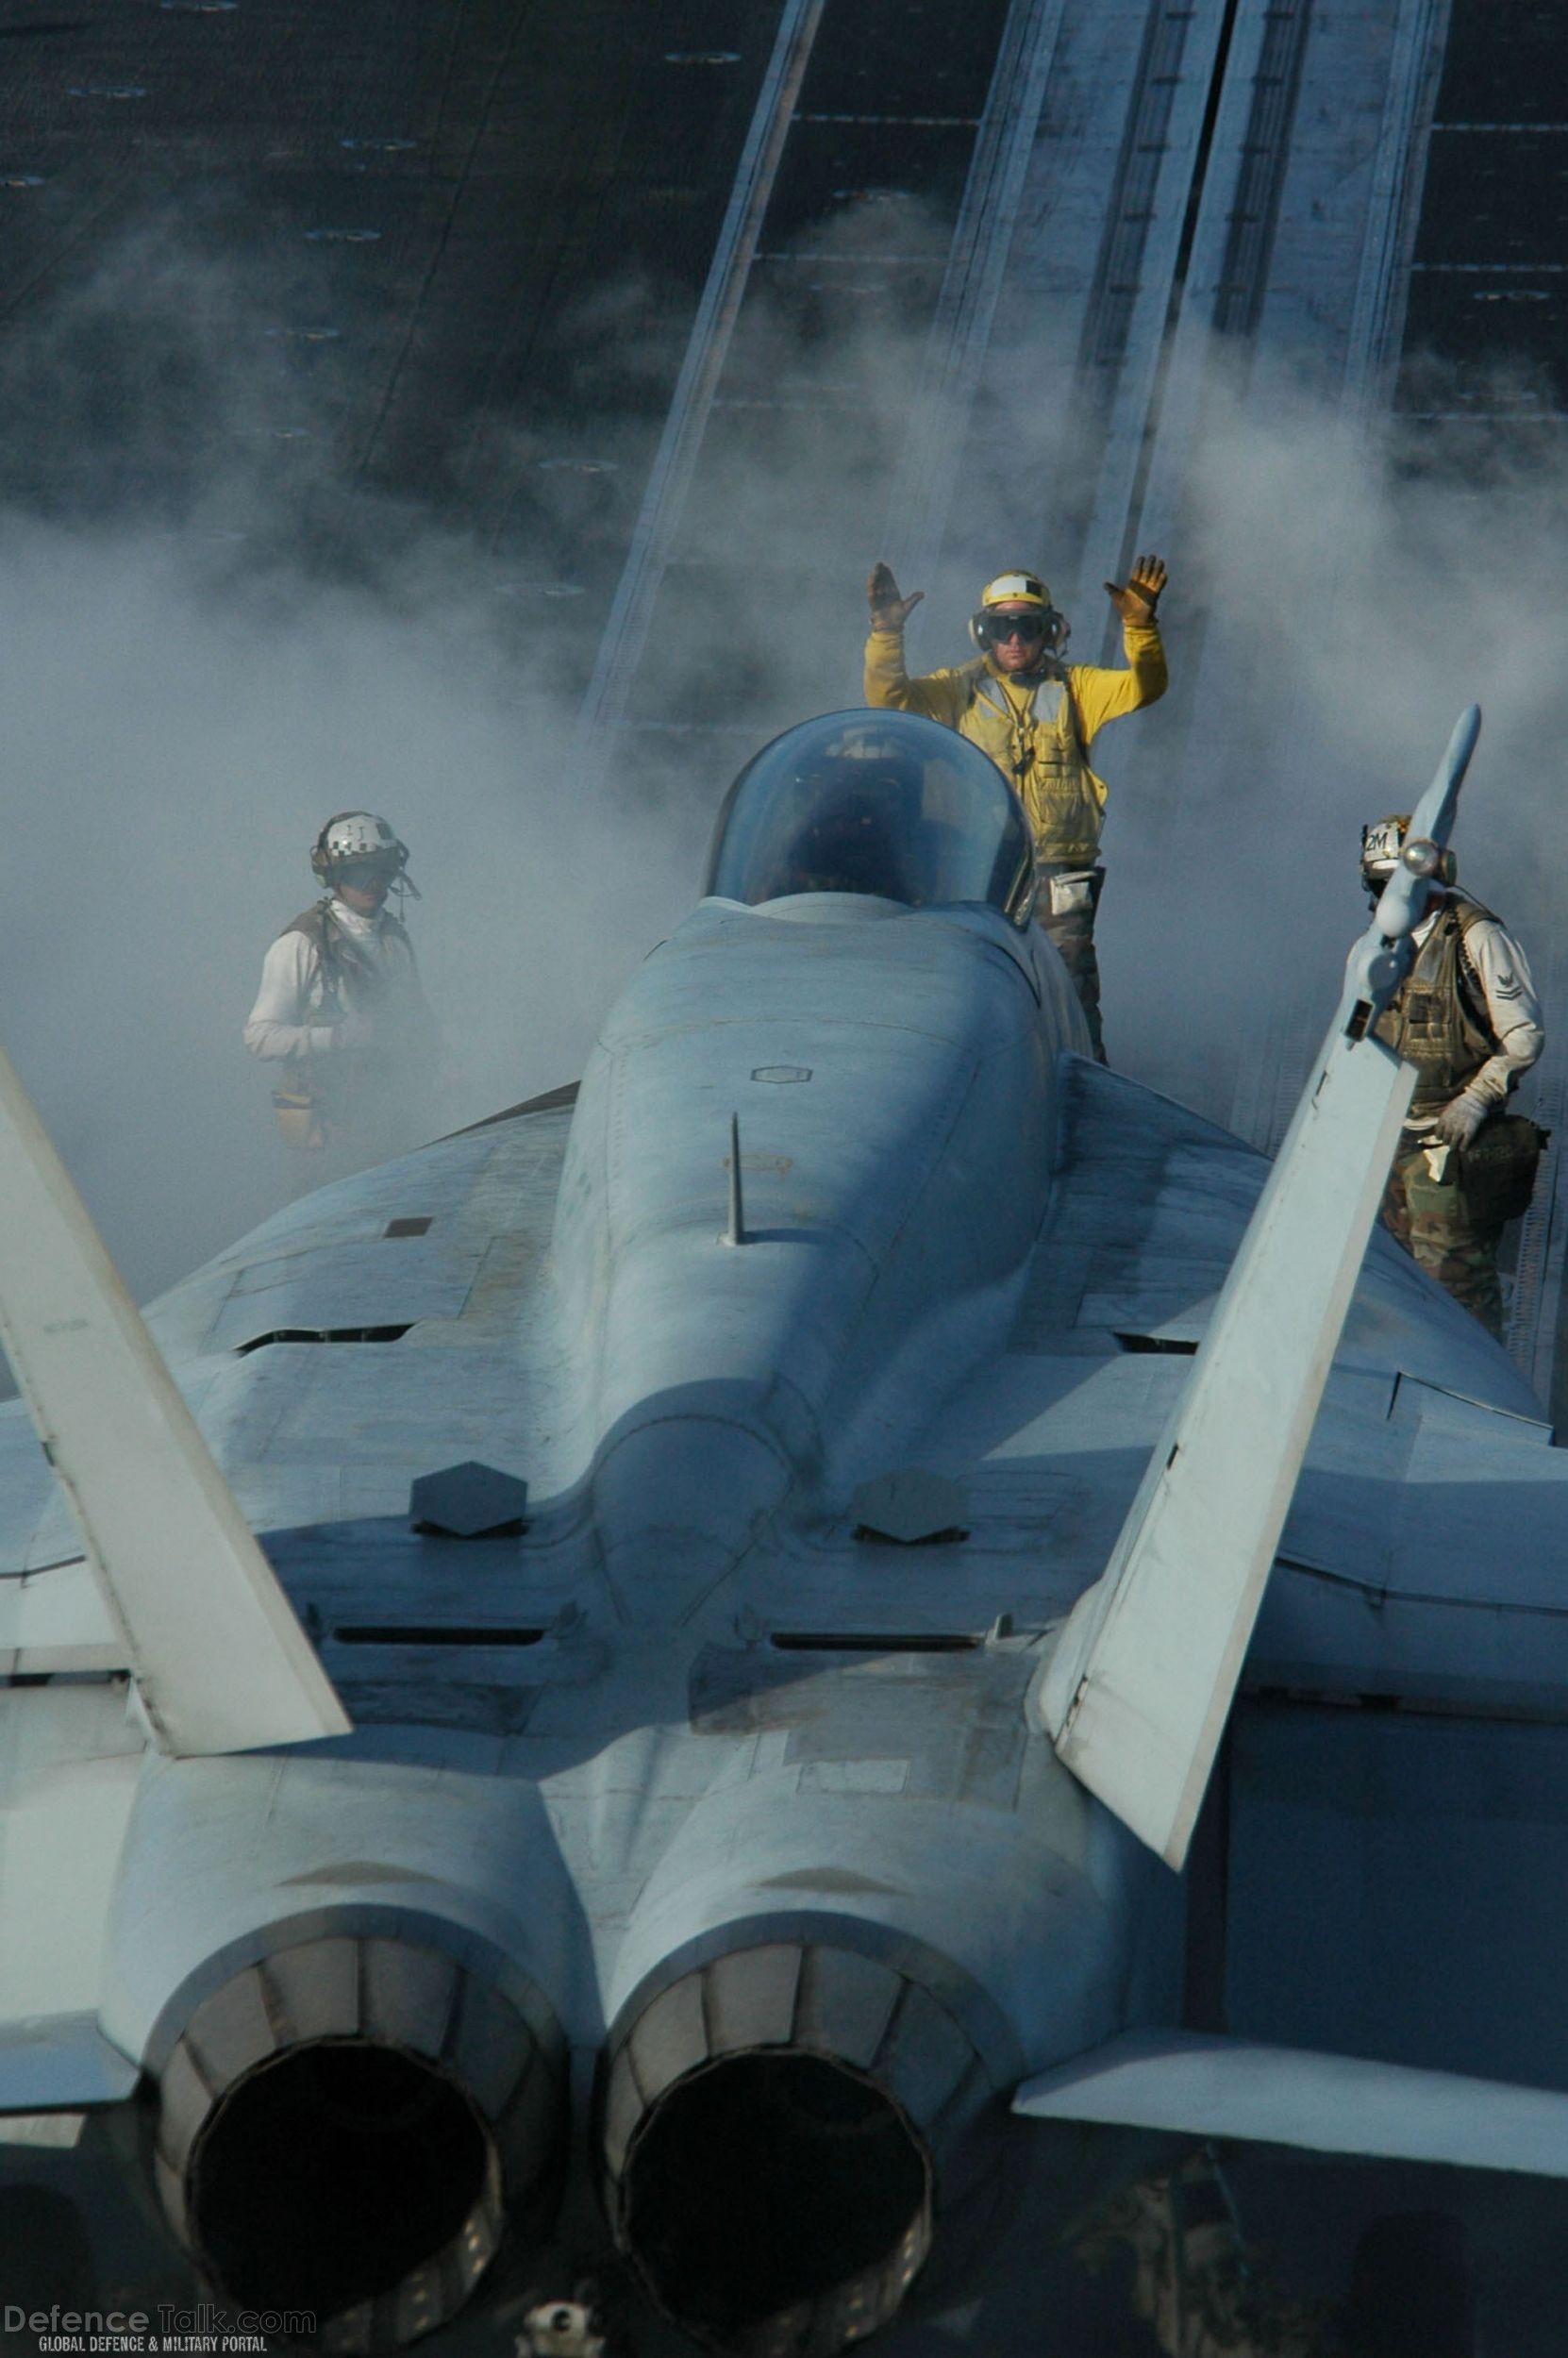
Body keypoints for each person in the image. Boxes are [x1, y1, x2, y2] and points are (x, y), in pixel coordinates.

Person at [863, 554, 1168, 1056]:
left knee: (1070, 999)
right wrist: (885, 634)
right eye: (1001, 627)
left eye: (1026, 627)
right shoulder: (957, 690)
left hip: (1059, 877)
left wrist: (1141, 628)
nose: (1014, 640)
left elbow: (1146, 686)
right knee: (967, 991)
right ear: (982, 632)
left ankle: (1081, 1089)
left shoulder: (1078, 689)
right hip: (980, 871)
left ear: (1048, 631)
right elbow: (889, 700)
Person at [1364, 812, 1546, 1337]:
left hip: (1448, 1146)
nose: (1386, 898)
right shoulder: (1379, 942)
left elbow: (1525, 1035)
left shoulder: (1476, 936)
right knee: (1393, 1281)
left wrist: (1476, 1099)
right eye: (1378, 885)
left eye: (1395, 884)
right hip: (1390, 1141)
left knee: (1456, 1294)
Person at [244, 811, 437, 1159]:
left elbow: (417, 1017)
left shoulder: (393, 937)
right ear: (334, 876)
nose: (372, 884)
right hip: (329, 1140)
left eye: (380, 871)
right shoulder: (301, 944)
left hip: (396, 1127)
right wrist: (339, 1036)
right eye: (359, 872)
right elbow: (260, 1038)